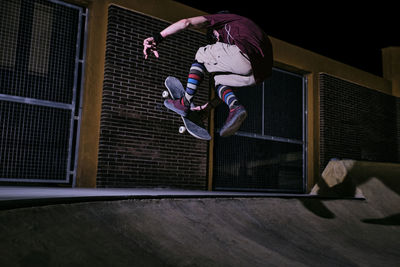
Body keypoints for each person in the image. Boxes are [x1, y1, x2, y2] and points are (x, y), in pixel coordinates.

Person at [143, 11, 273, 137]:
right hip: (260, 74)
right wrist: (208, 107)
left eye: (214, 37)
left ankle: (184, 102)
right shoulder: (246, 29)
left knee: (202, 54)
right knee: (218, 79)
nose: (217, 40)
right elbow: (230, 87)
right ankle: (235, 107)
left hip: (245, 55)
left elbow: (186, 22)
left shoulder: (224, 19)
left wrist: (157, 37)